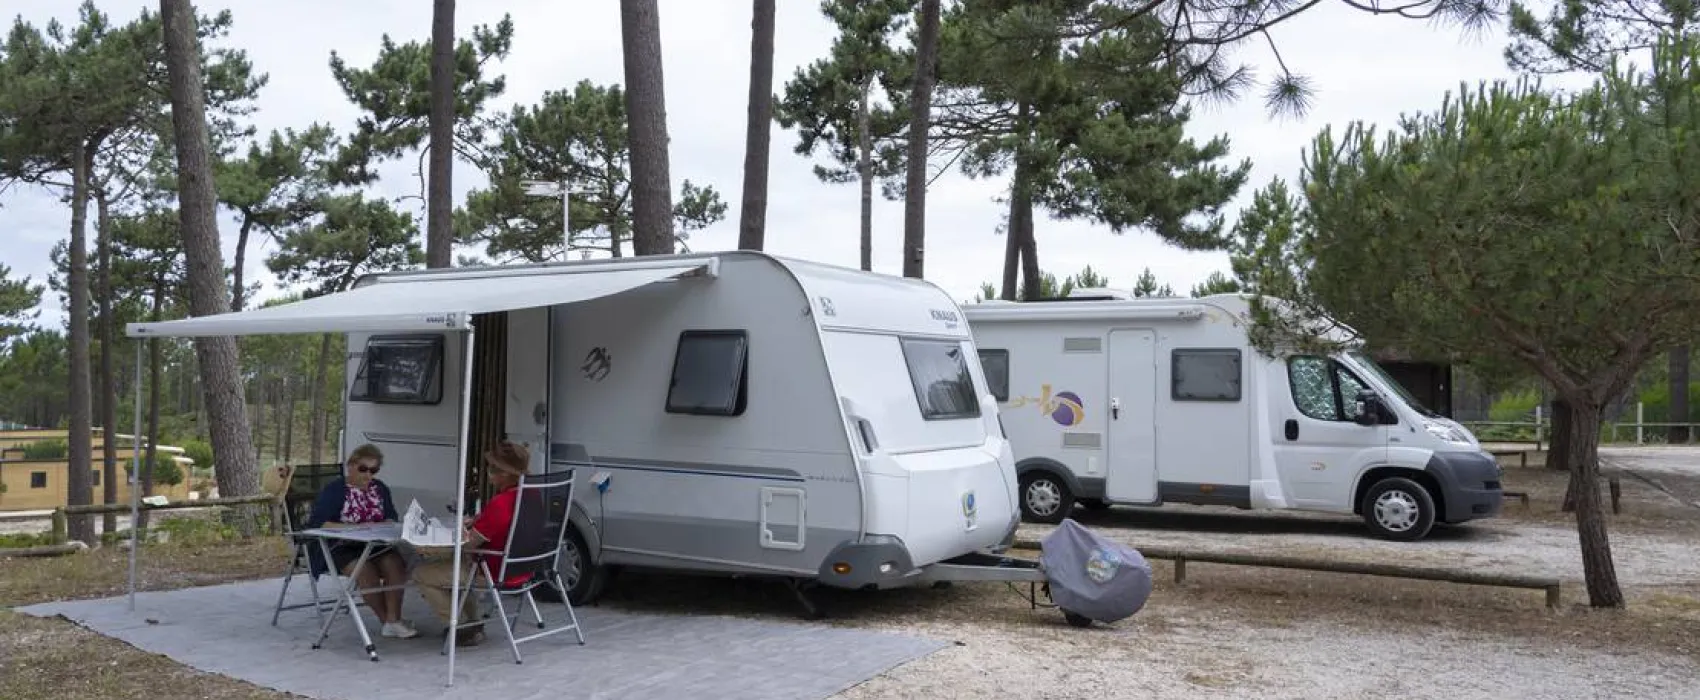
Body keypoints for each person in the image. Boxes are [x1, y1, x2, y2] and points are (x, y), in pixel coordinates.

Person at [413, 441, 533, 647]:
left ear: (502, 473)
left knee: (422, 573)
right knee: (451, 565)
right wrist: (480, 518)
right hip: (524, 568)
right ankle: (473, 623)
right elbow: (506, 522)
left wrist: (444, 539)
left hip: (493, 570)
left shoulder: (500, 503)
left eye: (491, 469)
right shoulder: (531, 494)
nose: (488, 473)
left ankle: (460, 627)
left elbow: (469, 545)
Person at [305, 443, 418, 639]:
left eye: (373, 470)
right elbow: (319, 523)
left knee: (395, 564)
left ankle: (394, 620)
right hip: (340, 546)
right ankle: (387, 621)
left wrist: (379, 526)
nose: (368, 475)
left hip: (374, 543)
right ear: (351, 466)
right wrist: (354, 528)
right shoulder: (335, 490)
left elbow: (391, 517)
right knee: (366, 572)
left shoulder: (380, 488)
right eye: (363, 469)